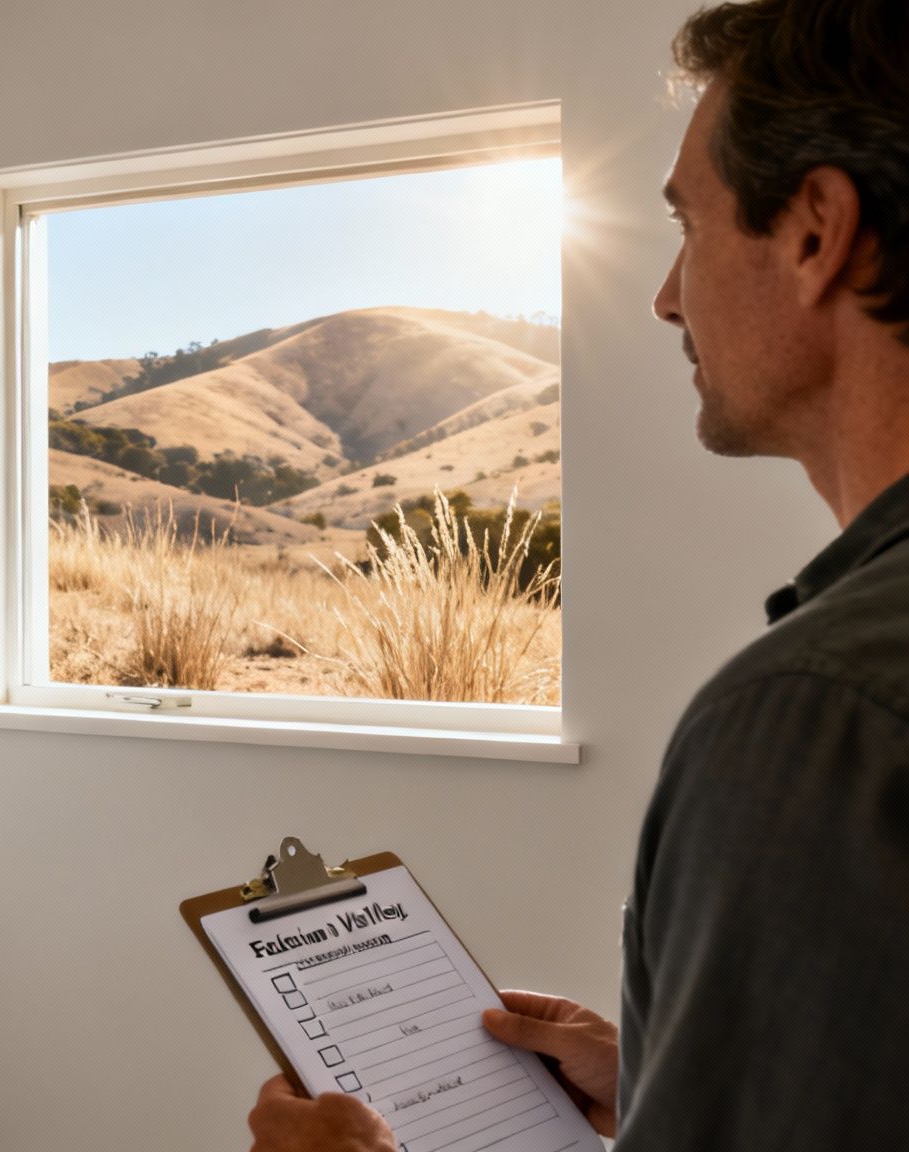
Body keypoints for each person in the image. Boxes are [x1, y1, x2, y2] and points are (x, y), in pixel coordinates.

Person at [246, 1, 909, 1148]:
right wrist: (661, 1072)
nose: (662, 296)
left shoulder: (813, 716)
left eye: (684, 227)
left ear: (814, 231)